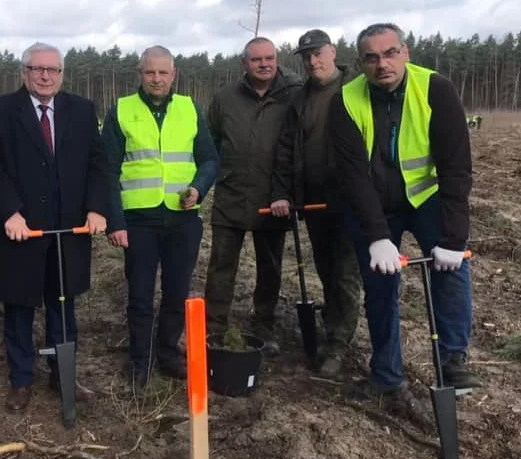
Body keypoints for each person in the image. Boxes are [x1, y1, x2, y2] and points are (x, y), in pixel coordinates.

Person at [327, 22, 481, 427]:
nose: (383, 64)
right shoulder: (345, 100)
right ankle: (387, 375)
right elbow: (353, 177)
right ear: (360, 63)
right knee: (379, 286)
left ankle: (452, 359)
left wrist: (452, 237)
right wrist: (378, 237)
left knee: (451, 268)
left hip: (427, 197)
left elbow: (455, 168)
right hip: (374, 205)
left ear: (406, 53)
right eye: (372, 58)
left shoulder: (436, 90)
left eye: (390, 53)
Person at [0, 42, 109, 413]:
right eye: (37, 69)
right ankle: (21, 379)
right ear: (24, 72)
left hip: (70, 232)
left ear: (62, 74)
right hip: (22, 230)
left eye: (53, 70)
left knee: (63, 305)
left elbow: (98, 164)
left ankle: (62, 374)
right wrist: (9, 213)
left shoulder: (81, 111)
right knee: (18, 306)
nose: (46, 75)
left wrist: (97, 208)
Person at [102, 45, 219, 389]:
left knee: (176, 291)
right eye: (150, 72)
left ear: (174, 75)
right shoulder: (121, 111)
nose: (156, 79)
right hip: (139, 220)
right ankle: (140, 360)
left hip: (183, 220)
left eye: (162, 72)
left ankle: (167, 352)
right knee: (140, 294)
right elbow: (107, 169)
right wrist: (116, 221)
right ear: (140, 74)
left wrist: (198, 188)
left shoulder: (190, 109)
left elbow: (210, 159)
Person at [270, 29, 362, 376]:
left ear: (333, 52)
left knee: (346, 274)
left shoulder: (357, 90)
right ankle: (332, 329)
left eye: (318, 53)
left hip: (352, 200)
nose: (312, 61)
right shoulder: (300, 99)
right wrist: (284, 192)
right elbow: (285, 149)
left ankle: (338, 344)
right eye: (306, 56)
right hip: (314, 202)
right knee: (326, 270)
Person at [204, 37, 301, 354]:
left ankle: (264, 325)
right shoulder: (225, 98)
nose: (264, 64)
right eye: (257, 59)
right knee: (221, 267)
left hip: (274, 200)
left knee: (269, 268)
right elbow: (211, 142)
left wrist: (286, 190)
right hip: (231, 197)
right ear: (244, 63)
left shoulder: (294, 94)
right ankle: (214, 327)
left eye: (270, 58)